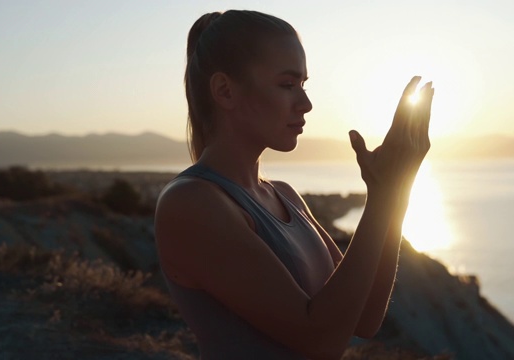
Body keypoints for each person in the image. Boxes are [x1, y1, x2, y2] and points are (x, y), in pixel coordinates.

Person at [154, 10, 434, 360]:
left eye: (303, 84)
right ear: (225, 91)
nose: (306, 104)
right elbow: (319, 341)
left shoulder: (284, 195)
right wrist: (382, 197)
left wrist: (394, 191)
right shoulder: (192, 203)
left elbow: (365, 318)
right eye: (287, 85)